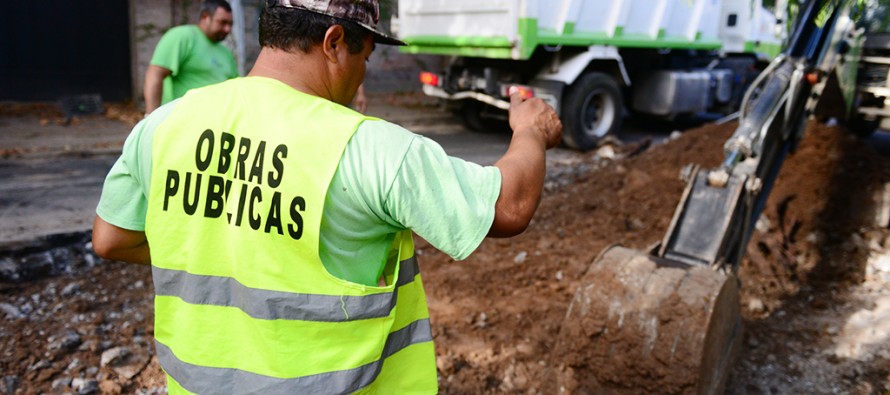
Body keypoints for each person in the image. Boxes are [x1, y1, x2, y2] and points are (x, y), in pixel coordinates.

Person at [91, 0, 561, 392]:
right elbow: (508, 207)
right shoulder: (369, 147)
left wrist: (228, 250)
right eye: (365, 58)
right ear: (334, 42)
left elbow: (111, 239)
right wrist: (530, 132)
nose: (361, 76)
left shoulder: (163, 125)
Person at [143, 0, 238, 115]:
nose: (227, 29)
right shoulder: (182, 37)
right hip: (184, 119)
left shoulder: (225, 52)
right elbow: (155, 73)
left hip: (218, 120)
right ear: (205, 17)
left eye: (230, 24)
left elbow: (235, 86)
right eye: (222, 22)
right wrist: (151, 117)